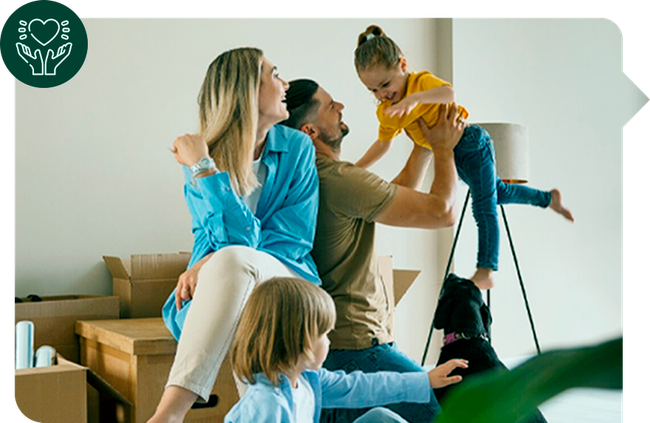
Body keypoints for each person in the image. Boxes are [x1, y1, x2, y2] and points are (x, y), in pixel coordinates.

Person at [148, 48, 321, 423]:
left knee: (234, 263)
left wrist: (215, 258)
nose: (285, 83)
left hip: (289, 281)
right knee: (246, 302)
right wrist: (206, 168)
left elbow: (291, 243)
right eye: (275, 75)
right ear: (246, 90)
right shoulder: (200, 157)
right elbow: (229, 242)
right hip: (223, 288)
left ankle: (167, 415)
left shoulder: (298, 150)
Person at [281, 79, 464, 423]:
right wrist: (443, 148)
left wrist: (422, 144)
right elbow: (443, 212)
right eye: (329, 105)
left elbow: (394, 198)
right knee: (447, 413)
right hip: (355, 349)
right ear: (310, 131)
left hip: (331, 351)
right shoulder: (337, 178)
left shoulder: (302, 177)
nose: (341, 108)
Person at [353, 25, 574, 289]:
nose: (382, 95)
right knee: (498, 193)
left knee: (483, 207)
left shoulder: (418, 83)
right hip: (453, 156)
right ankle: (549, 199)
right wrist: (353, 169)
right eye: (373, 90)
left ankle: (486, 270)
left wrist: (413, 101)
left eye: (385, 84)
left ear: (402, 65)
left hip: (470, 142)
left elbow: (449, 94)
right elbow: (382, 144)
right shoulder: (387, 110)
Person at [225, 277, 469, 423]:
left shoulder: (308, 380)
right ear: (298, 340)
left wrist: (424, 380)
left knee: (380, 418)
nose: (329, 342)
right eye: (324, 334)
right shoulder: (267, 406)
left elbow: (362, 387)